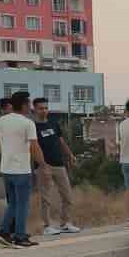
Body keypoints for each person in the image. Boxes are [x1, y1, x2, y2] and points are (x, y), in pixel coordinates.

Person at [0, 93, 43, 247]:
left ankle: (4, 233)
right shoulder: (27, 123)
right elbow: (34, 146)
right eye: (29, 104)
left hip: (6, 169)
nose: (30, 107)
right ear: (24, 105)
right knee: (22, 204)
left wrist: (4, 154)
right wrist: (43, 165)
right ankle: (20, 236)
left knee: (12, 203)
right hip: (22, 170)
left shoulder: (2, 120)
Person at [31, 98, 81, 235]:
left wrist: (70, 155)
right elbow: (32, 148)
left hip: (59, 164)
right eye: (41, 108)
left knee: (67, 195)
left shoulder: (53, 123)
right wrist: (41, 165)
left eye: (46, 108)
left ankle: (65, 223)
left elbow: (61, 141)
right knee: (45, 198)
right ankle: (47, 226)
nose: (44, 110)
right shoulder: (32, 127)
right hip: (42, 166)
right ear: (34, 109)